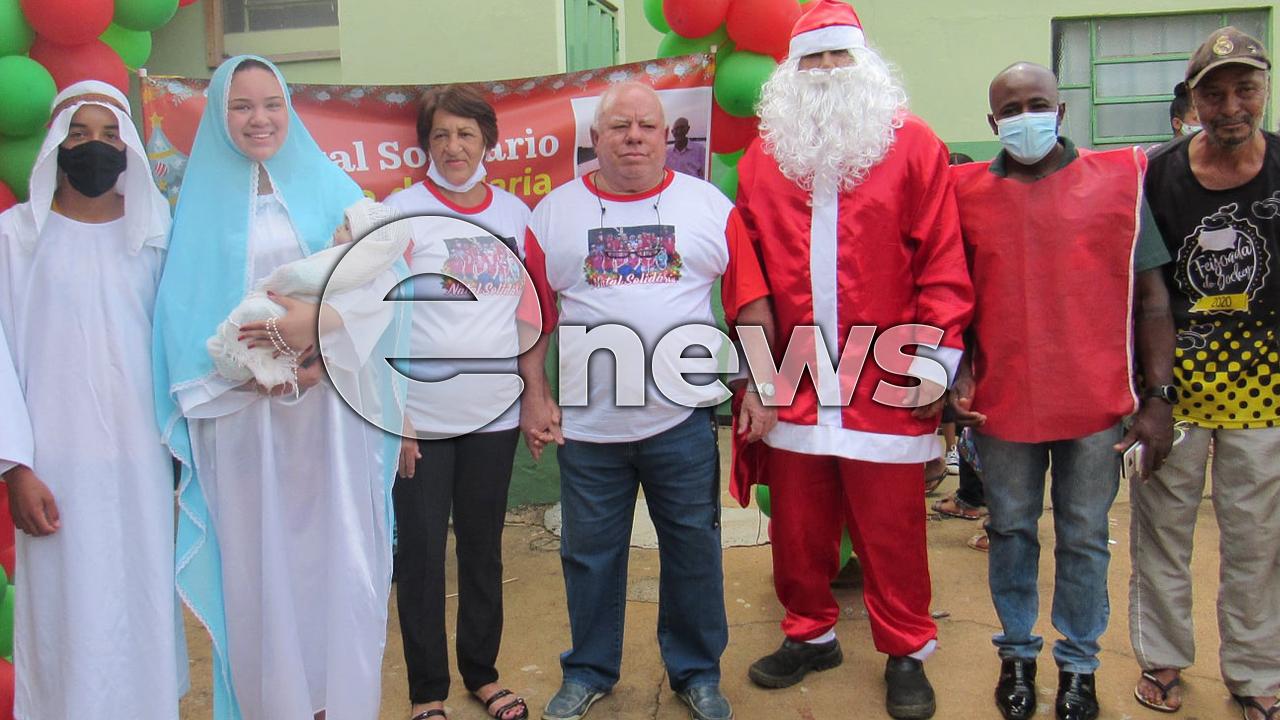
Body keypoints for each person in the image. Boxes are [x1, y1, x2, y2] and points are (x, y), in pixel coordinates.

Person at [730, 3, 974, 719]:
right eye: (814, 60)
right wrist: (757, 375)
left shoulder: (917, 146)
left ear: (865, 65)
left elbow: (942, 257)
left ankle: (906, 650)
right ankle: (810, 632)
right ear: (790, 75)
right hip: (796, 378)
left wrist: (933, 362)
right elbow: (745, 275)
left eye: (840, 57)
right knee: (797, 526)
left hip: (886, 375)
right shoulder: (761, 158)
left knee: (891, 528)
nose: (828, 73)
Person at [152, 55, 401, 720]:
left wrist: (319, 334)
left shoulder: (335, 190)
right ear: (219, 117)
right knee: (262, 580)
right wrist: (242, 379)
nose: (259, 118)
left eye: (271, 103)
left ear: (289, 108)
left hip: (328, 423)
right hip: (244, 433)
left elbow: (385, 290)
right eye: (241, 106)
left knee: (336, 569)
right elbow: (179, 330)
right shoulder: (192, 212)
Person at [519, 80, 770, 720]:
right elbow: (534, 319)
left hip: (680, 422)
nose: (634, 136)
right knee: (589, 555)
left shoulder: (709, 206)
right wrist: (535, 396)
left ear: (667, 137)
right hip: (588, 428)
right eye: (619, 126)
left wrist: (761, 388)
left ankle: (696, 673)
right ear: (594, 139)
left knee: (692, 549)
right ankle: (590, 671)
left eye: (647, 126)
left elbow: (749, 304)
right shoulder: (552, 214)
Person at [949, 61, 1175, 720]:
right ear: (994, 123)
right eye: (1011, 108)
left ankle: (1080, 667)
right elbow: (952, 299)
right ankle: (1017, 655)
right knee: (1012, 529)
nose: (1026, 116)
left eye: (1037, 102)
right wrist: (953, 377)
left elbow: (1154, 297)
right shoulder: (964, 193)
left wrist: (1159, 397)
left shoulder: (1117, 182)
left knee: (1084, 536)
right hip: (1003, 403)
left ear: (1062, 110)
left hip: (1095, 405)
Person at [0, 81, 182, 720]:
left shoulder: (158, 239)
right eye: (79, 134)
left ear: (130, 146)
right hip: (55, 469)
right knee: (65, 619)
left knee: (143, 607)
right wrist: (16, 468)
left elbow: (181, 347)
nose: (95, 148)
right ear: (54, 144)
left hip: (142, 464)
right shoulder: (15, 237)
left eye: (110, 135)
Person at [1129, 27, 1278, 720]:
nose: (1230, 106)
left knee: (1257, 542)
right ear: (1191, 100)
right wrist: (1148, 396)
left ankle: (1253, 673)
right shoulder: (1159, 174)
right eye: (1213, 93)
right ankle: (1162, 660)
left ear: (1264, 90)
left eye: (1245, 89)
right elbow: (1145, 291)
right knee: (1162, 533)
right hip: (1175, 392)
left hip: (1267, 394)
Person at [382, 85, 534, 720]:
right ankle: (427, 694)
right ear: (425, 143)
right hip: (421, 419)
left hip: (493, 416)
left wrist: (534, 398)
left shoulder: (516, 216)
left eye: (466, 134)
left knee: (482, 547)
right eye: (441, 135)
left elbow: (529, 317)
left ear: (488, 143)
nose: (453, 147)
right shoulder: (398, 212)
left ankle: (483, 674)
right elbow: (374, 320)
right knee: (419, 554)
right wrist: (398, 417)